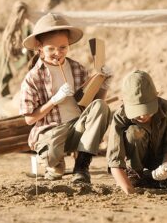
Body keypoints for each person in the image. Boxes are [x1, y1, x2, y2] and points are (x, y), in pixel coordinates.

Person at [19, 13, 111, 183]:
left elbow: (94, 103)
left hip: (78, 128)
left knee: (101, 106)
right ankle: (54, 164)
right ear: (39, 46)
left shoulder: (77, 68)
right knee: (52, 156)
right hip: (51, 131)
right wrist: (54, 100)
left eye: (62, 47)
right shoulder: (32, 78)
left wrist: (104, 84)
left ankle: (81, 167)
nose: (57, 53)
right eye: (51, 48)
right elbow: (29, 119)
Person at [107, 70, 167, 194]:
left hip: (163, 160)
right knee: (134, 133)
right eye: (138, 113)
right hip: (135, 166)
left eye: (148, 110)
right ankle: (138, 176)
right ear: (125, 103)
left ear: (156, 97)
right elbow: (114, 161)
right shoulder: (120, 117)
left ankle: (152, 178)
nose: (143, 116)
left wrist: (166, 165)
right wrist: (130, 191)